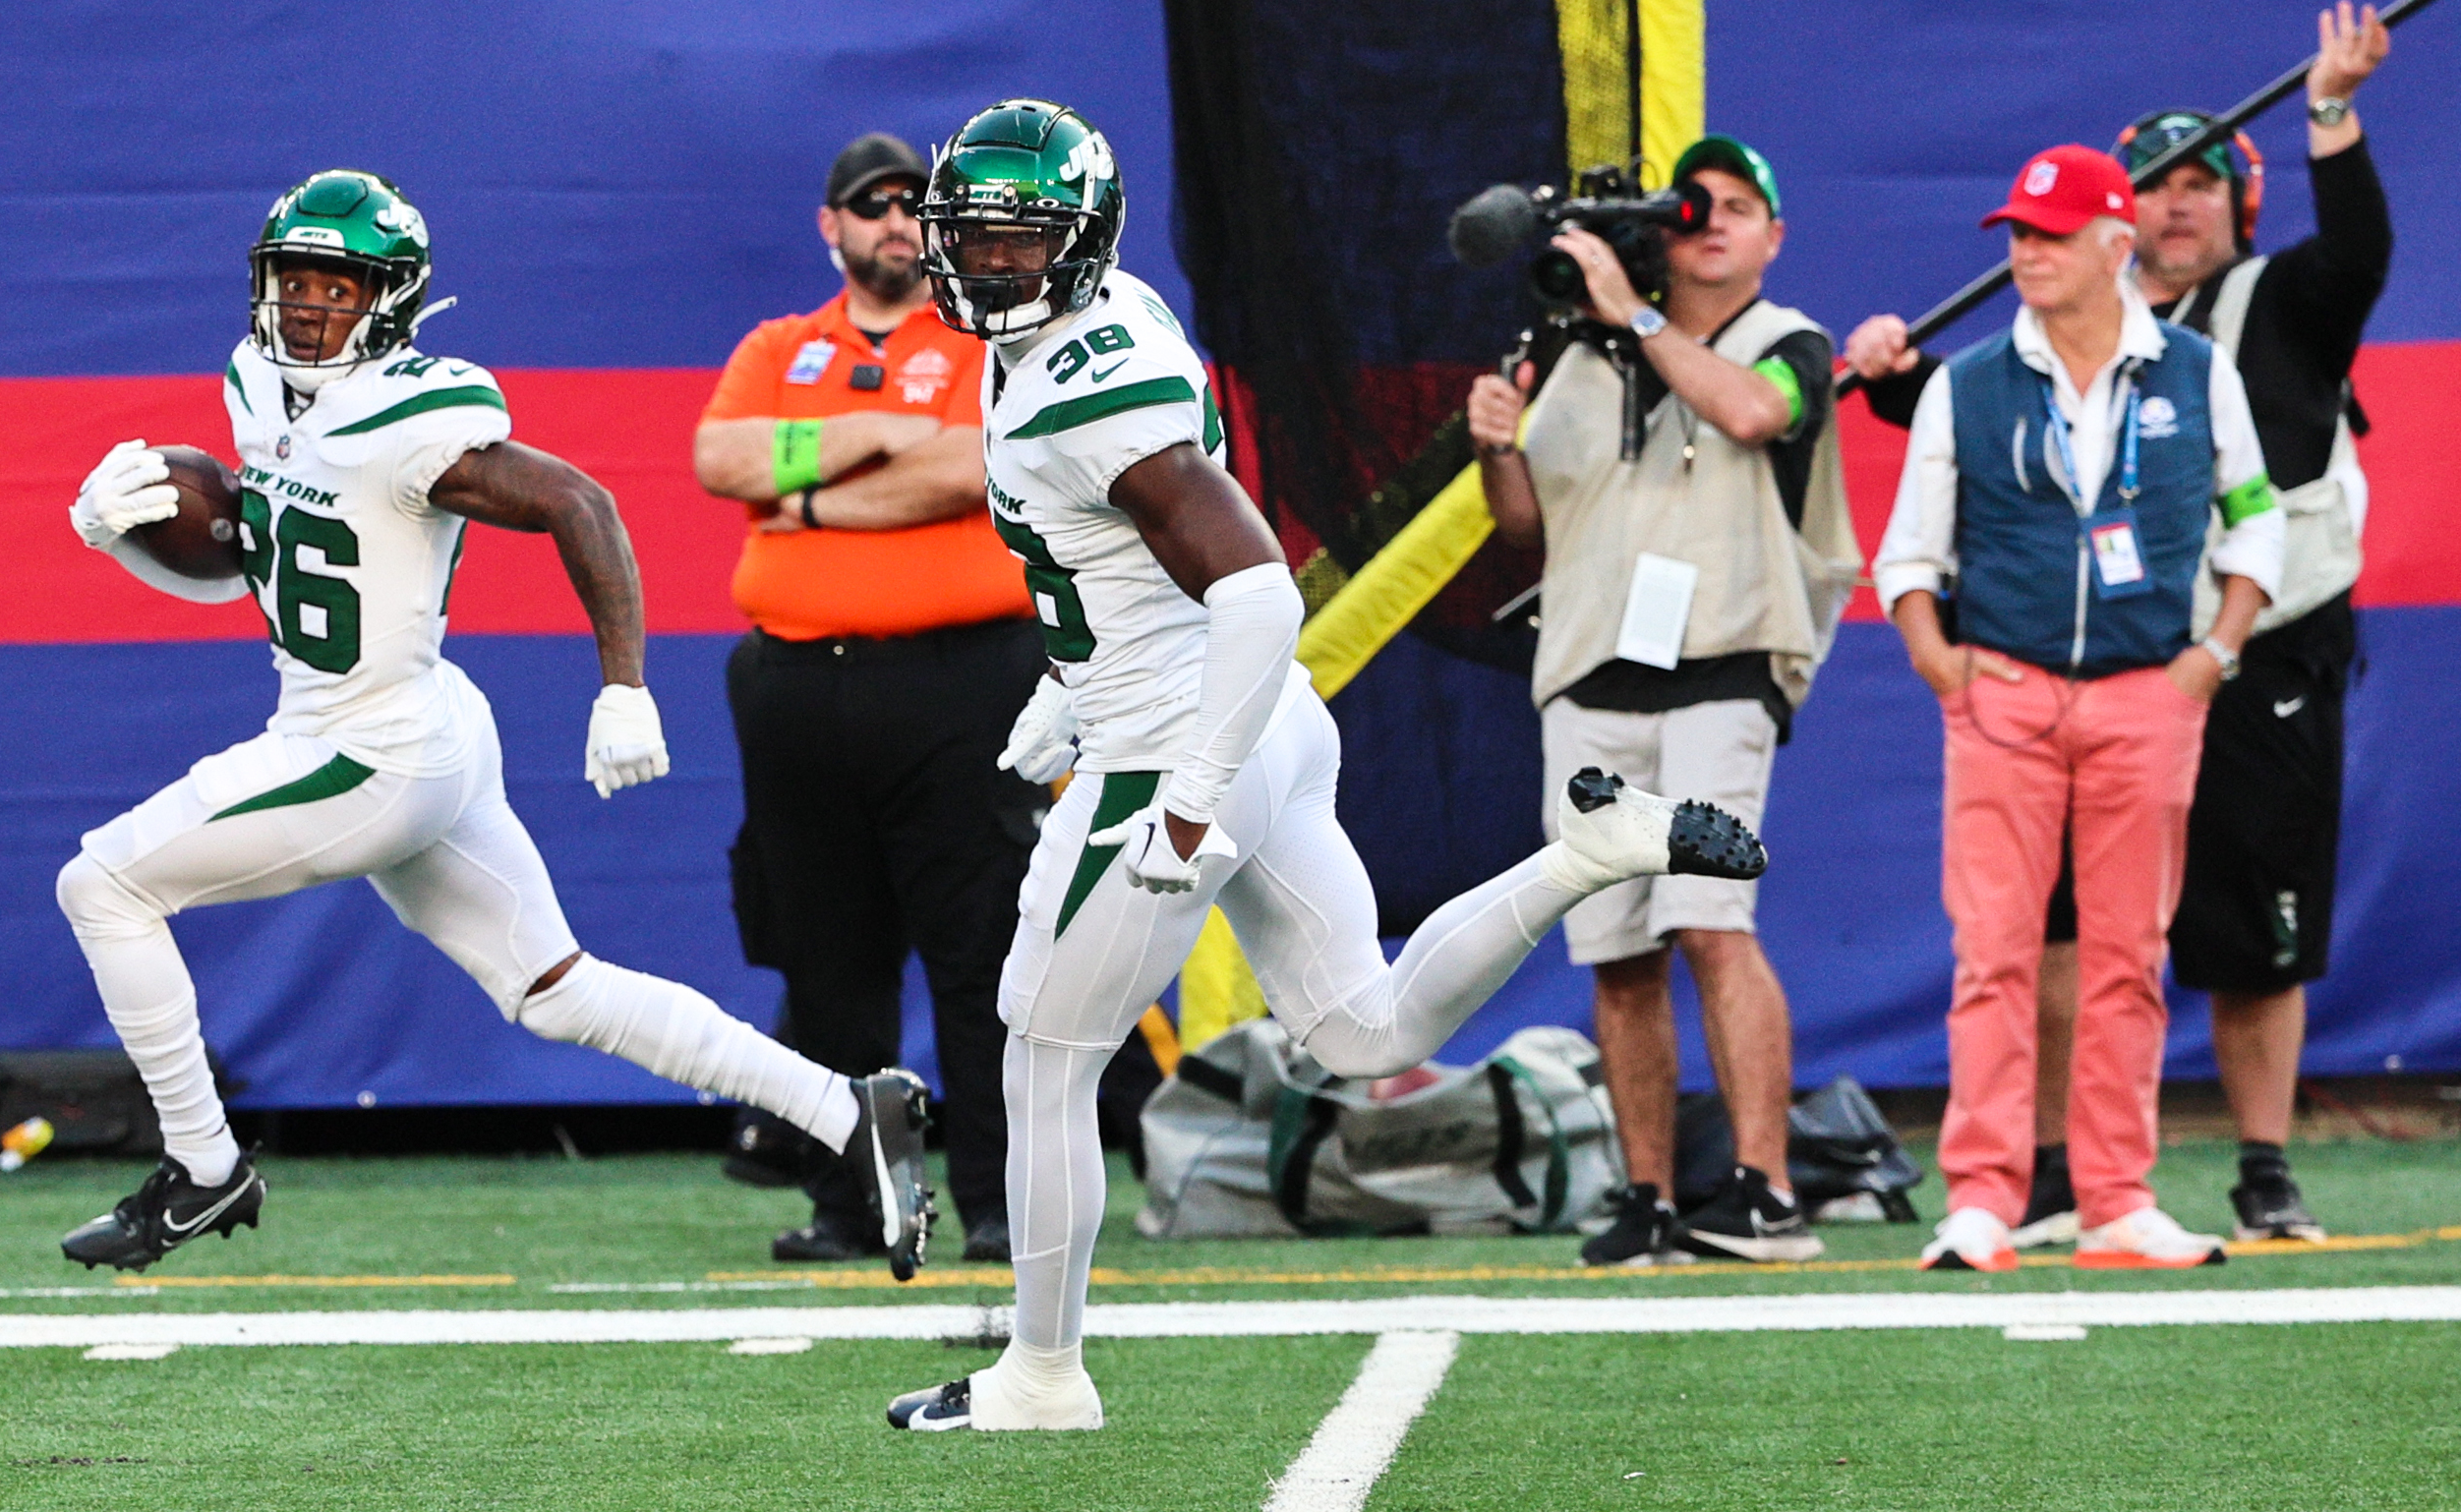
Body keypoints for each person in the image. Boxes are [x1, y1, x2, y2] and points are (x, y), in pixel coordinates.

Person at [882, 98, 1768, 1433]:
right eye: (975, 239)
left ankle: (1042, 1375)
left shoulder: (1084, 381)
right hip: (1244, 723)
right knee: (1367, 1030)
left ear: (1076, 243)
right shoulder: (1095, 316)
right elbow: (1131, 566)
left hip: (1188, 740)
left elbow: (1251, 594)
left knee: (1041, 1054)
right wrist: (1070, 693)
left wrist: (1177, 800)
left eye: (1019, 242)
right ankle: (1589, 854)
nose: (987, 266)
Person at [53, 169, 932, 1279]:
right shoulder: (253, 385)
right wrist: (121, 534)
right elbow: (255, 569)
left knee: (103, 885)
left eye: (339, 284)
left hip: (367, 745)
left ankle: (203, 1165)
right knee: (556, 990)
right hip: (414, 731)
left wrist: (623, 682)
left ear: (394, 301)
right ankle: (850, 1108)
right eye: (293, 280)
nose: (309, 306)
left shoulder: (413, 411)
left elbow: (581, 503)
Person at [1846, 2, 2392, 1246]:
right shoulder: (2020, 352)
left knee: (2234, 928)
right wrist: (1891, 394)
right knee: (2025, 933)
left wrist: (2329, 108)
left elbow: (2354, 249)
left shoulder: (2274, 308)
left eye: (2202, 183)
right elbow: (1978, 450)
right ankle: (2024, 1175)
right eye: (2155, 185)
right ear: (2118, 222)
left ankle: (2246, 1166)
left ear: (2239, 202)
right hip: (2043, 675)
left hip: (2236, 662)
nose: (2176, 205)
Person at [1875, 145, 2284, 1272]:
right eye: (2015, 233)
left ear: (2117, 246)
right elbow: (1907, 554)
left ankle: (2113, 1195)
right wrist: (1942, 668)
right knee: (1992, 952)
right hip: (2001, 695)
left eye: (2049, 235)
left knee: (2124, 957)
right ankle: (1982, 1198)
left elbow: (2254, 520)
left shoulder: (2196, 370)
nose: (2023, 253)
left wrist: (2209, 655)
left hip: (2148, 695)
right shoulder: (1965, 382)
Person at [1465, 135, 1861, 1266]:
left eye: (1738, 205)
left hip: (1727, 656)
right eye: (1693, 206)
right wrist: (1496, 446)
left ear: (1772, 236)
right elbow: (1525, 531)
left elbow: (1751, 414)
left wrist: (1632, 317)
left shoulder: (1791, 344)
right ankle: (1645, 1197)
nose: (1711, 220)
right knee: (1614, 947)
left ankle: (1764, 1190)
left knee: (1707, 917)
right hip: (1588, 666)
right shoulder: (1577, 356)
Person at [692, 133, 1043, 1266]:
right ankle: (852, 1203)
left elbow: (970, 464)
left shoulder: (983, 337)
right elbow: (720, 457)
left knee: (977, 944)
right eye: (871, 205)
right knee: (824, 956)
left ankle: (996, 1201)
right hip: (796, 681)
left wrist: (808, 499)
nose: (895, 221)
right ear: (830, 226)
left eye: (911, 206)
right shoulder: (780, 344)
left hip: (960, 677)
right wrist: (880, 431)